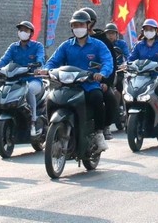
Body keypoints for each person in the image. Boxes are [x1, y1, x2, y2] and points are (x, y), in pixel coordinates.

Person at [40, 10, 113, 152]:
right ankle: (51, 133)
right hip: (68, 85)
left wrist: (102, 73)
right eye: (75, 25)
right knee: (51, 100)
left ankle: (99, 134)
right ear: (71, 27)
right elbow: (53, 61)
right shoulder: (66, 45)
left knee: (97, 98)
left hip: (89, 84)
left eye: (81, 25)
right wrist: (46, 69)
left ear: (88, 25)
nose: (78, 28)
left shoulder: (98, 45)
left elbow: (107, 61)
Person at [0, 21, 45, 137]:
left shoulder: (37, 46)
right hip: (16, 81)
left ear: (31, 33)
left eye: (26, 30)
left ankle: (33, 122)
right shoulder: (13, 47)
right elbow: (4, 59)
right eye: (21, 30)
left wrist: (38, 66)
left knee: (29, 90)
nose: (23, 32)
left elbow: (40, 58)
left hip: (33, 80)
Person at [80, 7, 119, 141]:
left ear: (92, 23)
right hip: (76, 81)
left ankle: (103, 127)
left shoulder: (103, 41)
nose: (81, 26)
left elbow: (111, 63)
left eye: (85, 22)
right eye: (77, 24)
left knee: (109, 98)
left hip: (97, 80)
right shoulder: (70, 42)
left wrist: (106, 82)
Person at [128, 18, 158, 130]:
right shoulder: (139, 45)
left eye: (151, 29)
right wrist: (126, 64)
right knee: (131, 89)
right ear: (143, 31)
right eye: (146, 29)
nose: (148, 31)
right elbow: (131, 58)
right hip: (141, 76)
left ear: (156, 31)